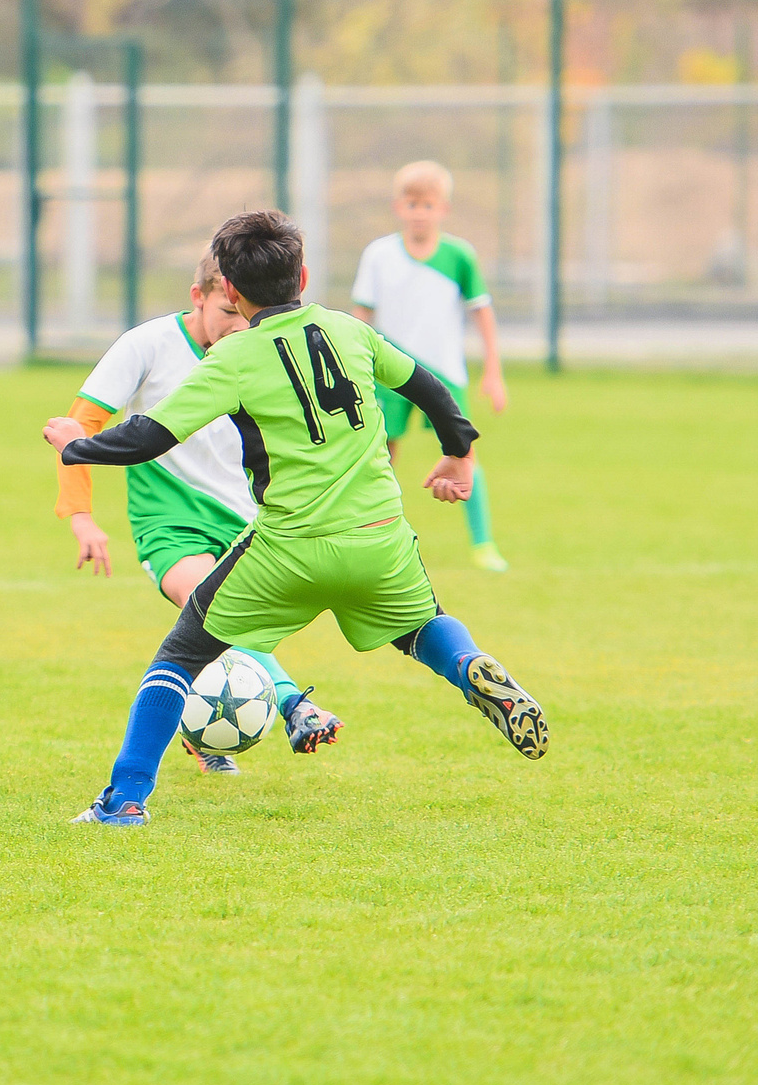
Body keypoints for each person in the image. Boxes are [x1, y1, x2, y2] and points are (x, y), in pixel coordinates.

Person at [45, 209, 545, 827]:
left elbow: (151, 435)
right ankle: (470, 668)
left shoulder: (234, 355)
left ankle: (123, 801)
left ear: (230, 290)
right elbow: (429, 386)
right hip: (380, 538)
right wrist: (457, 451)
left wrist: (76, 445)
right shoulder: (349, 330)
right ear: (303, 276)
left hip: (289, 547)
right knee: (424, 628)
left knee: (180, 656)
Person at [55, 253, 339, 776]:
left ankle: (202, 732)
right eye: (227, 314)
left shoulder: (260, 350)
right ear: (198, 298)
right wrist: (80, 515)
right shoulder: (146, 345)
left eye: (244, 315)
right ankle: (295, 706)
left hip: (247, 520)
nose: (238, 326)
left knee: (218, 632)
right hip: (169, 522)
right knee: (214, 606)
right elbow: (78, 425)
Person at [350, 159, 509, 572]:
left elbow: (482, 312)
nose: (420, 213)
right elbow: (361, 315)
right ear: (397, 207)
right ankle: (369, 539)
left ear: (444, 209)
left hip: (444, 374)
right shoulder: (379, 255)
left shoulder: (459, 256)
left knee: (464, 452)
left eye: (428, 205)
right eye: (412, 204)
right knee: (380, 454)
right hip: (390, 372)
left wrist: (493, 371)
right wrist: (352, 367)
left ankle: (484, 544)